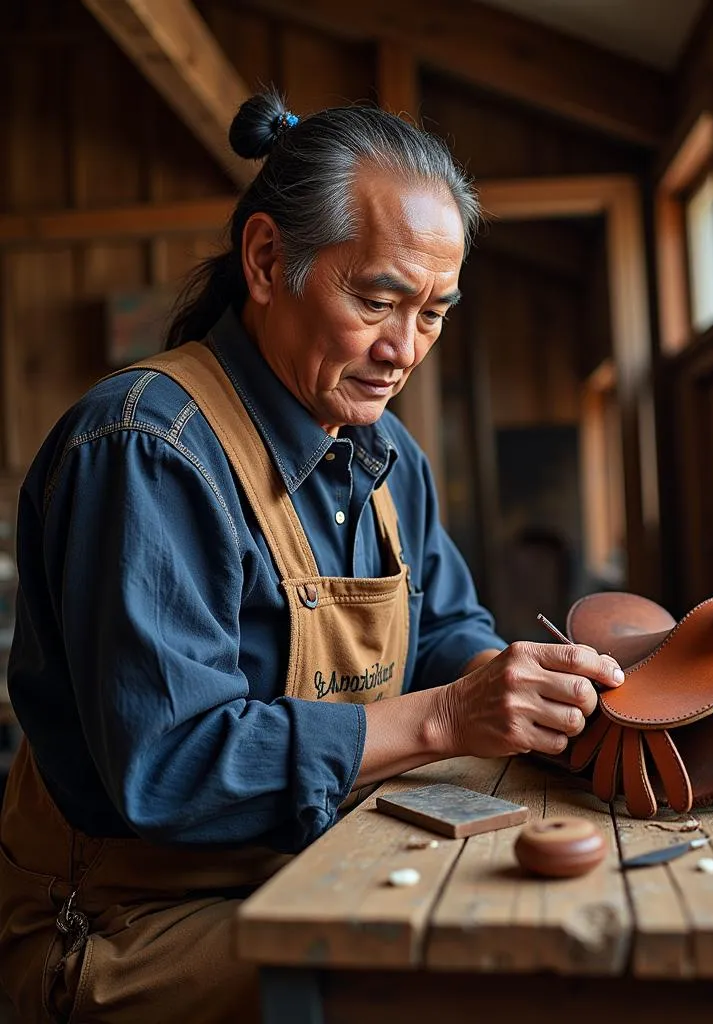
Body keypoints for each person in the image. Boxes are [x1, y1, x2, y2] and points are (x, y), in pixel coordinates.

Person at [0, 92, 624, 1024]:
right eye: (376, 300)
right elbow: (168, 765)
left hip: (307, 862)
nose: (402, 349)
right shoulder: (146, 451)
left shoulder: (387, 455)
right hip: (134, 923)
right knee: (462, 988)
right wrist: (450, 716)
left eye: (433, 314)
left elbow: (443, 624)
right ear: (267, 261)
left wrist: (519, 682)